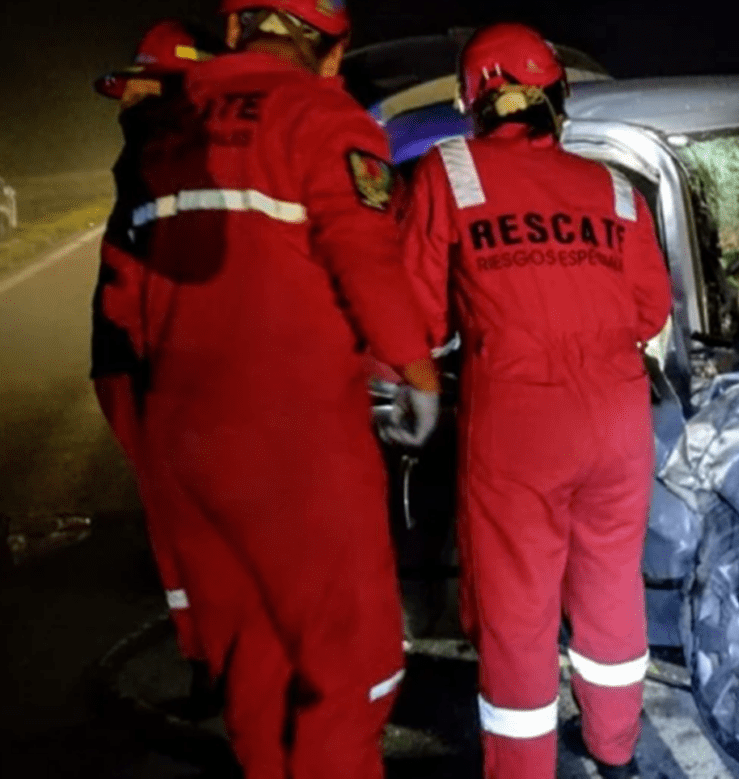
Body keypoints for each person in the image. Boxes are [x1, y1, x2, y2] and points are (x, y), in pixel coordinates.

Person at [100, 1, 441, 777]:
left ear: (235, 29)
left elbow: (125, 295)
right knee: (351, 669)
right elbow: (362, 252)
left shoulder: (170, 125)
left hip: (186, 441)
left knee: (253, 657)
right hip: (295, 446)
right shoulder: (321, 114)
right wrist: (413, 370)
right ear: (332, 48)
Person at [400, 22, 672, 779]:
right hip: (619, 422)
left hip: (521, 422)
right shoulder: (615, 187)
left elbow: (418, 317)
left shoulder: (448, 172)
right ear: (558, 96)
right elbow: (650, 312)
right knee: (611, 588)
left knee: (518, 613)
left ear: (472, 103)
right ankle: (615, 748)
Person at [90, 17, 218, 700]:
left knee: (180, 516)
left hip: (142, 359)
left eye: (139, 83)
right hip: (148, 360)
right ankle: (214, 654)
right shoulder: (174, 147)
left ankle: (209, 656)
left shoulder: (156, 149)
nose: (127, 99)